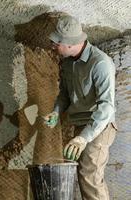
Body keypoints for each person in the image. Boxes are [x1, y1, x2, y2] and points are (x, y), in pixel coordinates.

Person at [44, 15, 117, 200]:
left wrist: (83, 139)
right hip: (79, 125)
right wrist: (56, 111)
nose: (53, 46)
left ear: (69, 44)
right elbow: (64, 95)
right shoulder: (67, 64)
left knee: (89, 176)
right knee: (75, 174)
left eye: (56, 43)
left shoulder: (100, 63)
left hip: (100, 125)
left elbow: (106, 107)